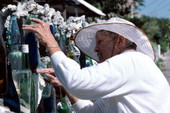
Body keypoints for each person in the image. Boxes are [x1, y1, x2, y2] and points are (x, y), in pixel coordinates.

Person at [23, 17, 170, 113]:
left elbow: (76, 82)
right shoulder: (131, 66)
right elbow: (93, 111)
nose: (95, 49)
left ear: (120, 41)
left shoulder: (130, 61)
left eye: (100, 41)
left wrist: (50, 43)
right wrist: (64, 85)